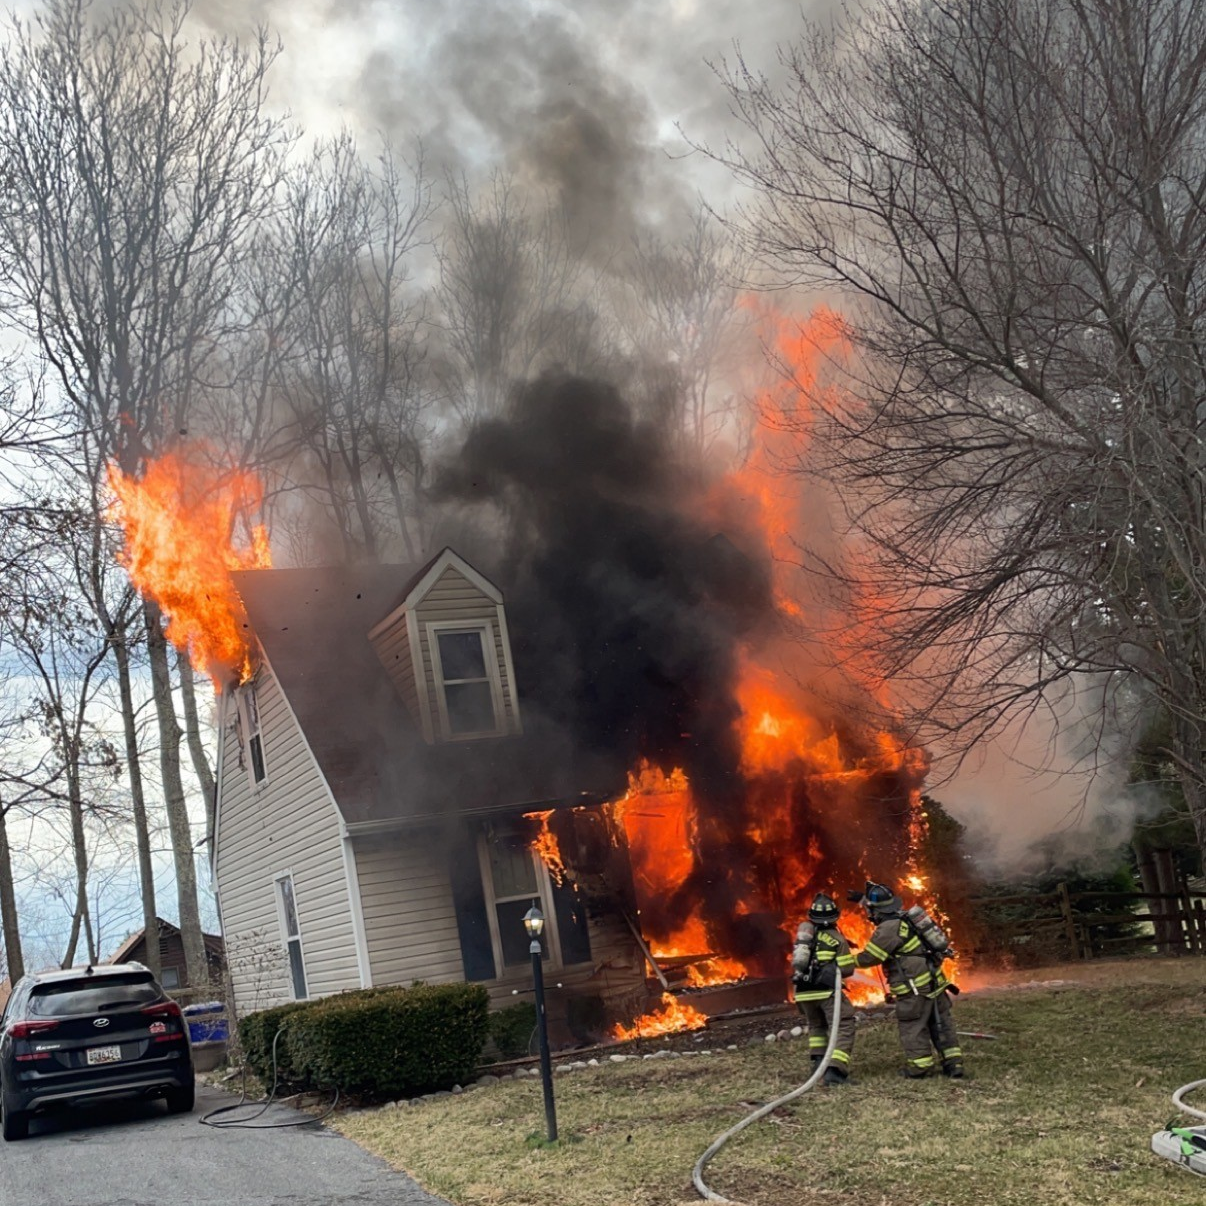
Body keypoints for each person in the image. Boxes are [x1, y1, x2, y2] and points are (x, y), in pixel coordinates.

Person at [853, 881, 964, 1079]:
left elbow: (870, 958)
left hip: (914, 988)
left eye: (870, 910)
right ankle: (954, 1064)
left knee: (912, 1025)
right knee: (941, 1024)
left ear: (875, 910)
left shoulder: (888, 928)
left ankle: (920, 1067)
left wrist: (843, 962)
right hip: (934, 982)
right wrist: (862, 899)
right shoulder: (905, 918)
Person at [791, 892, 857, 1085]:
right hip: (826, 991)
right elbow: (847, 969)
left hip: (803, 991)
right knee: (844, 1024)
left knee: (817, 1026)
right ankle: (835, 1070)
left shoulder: (805, 937)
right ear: (835, 917)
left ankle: (818, 1064)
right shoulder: (837, 938)